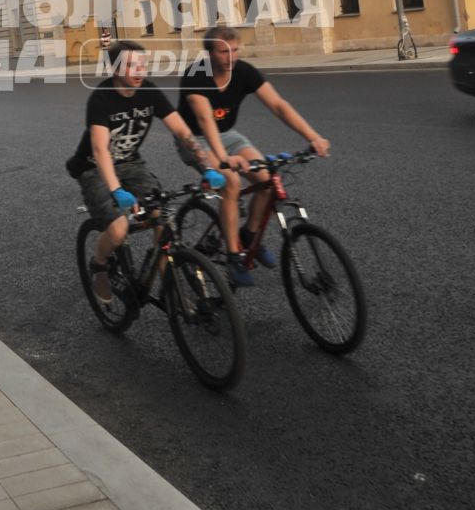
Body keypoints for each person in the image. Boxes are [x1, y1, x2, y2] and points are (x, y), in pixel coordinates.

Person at [68, 40, 218, 306]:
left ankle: (169, 282)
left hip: (130, 163)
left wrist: (205, 167)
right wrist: (116, 190)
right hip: (93, 167)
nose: (139, 71)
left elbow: (182, 132)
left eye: (142, 65)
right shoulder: (101, 99)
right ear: (115, 70)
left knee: (162, 217)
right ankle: (99, 264)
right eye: (131, 66)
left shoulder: (148, 91)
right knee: (118, 228)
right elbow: (101, 150)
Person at [178, 25, 331, 285]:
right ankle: (233, 256)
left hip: (228, 135)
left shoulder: (243, 71)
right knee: (231, 183)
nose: (231, 57)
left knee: (268, 180)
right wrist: (223, 161)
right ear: (209, 53)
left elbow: (278, 105)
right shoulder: (196, 74)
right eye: (223, 52)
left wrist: (313, 137)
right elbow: (205, 120)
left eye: (235, 50)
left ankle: (249, 237)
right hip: (195, 140)